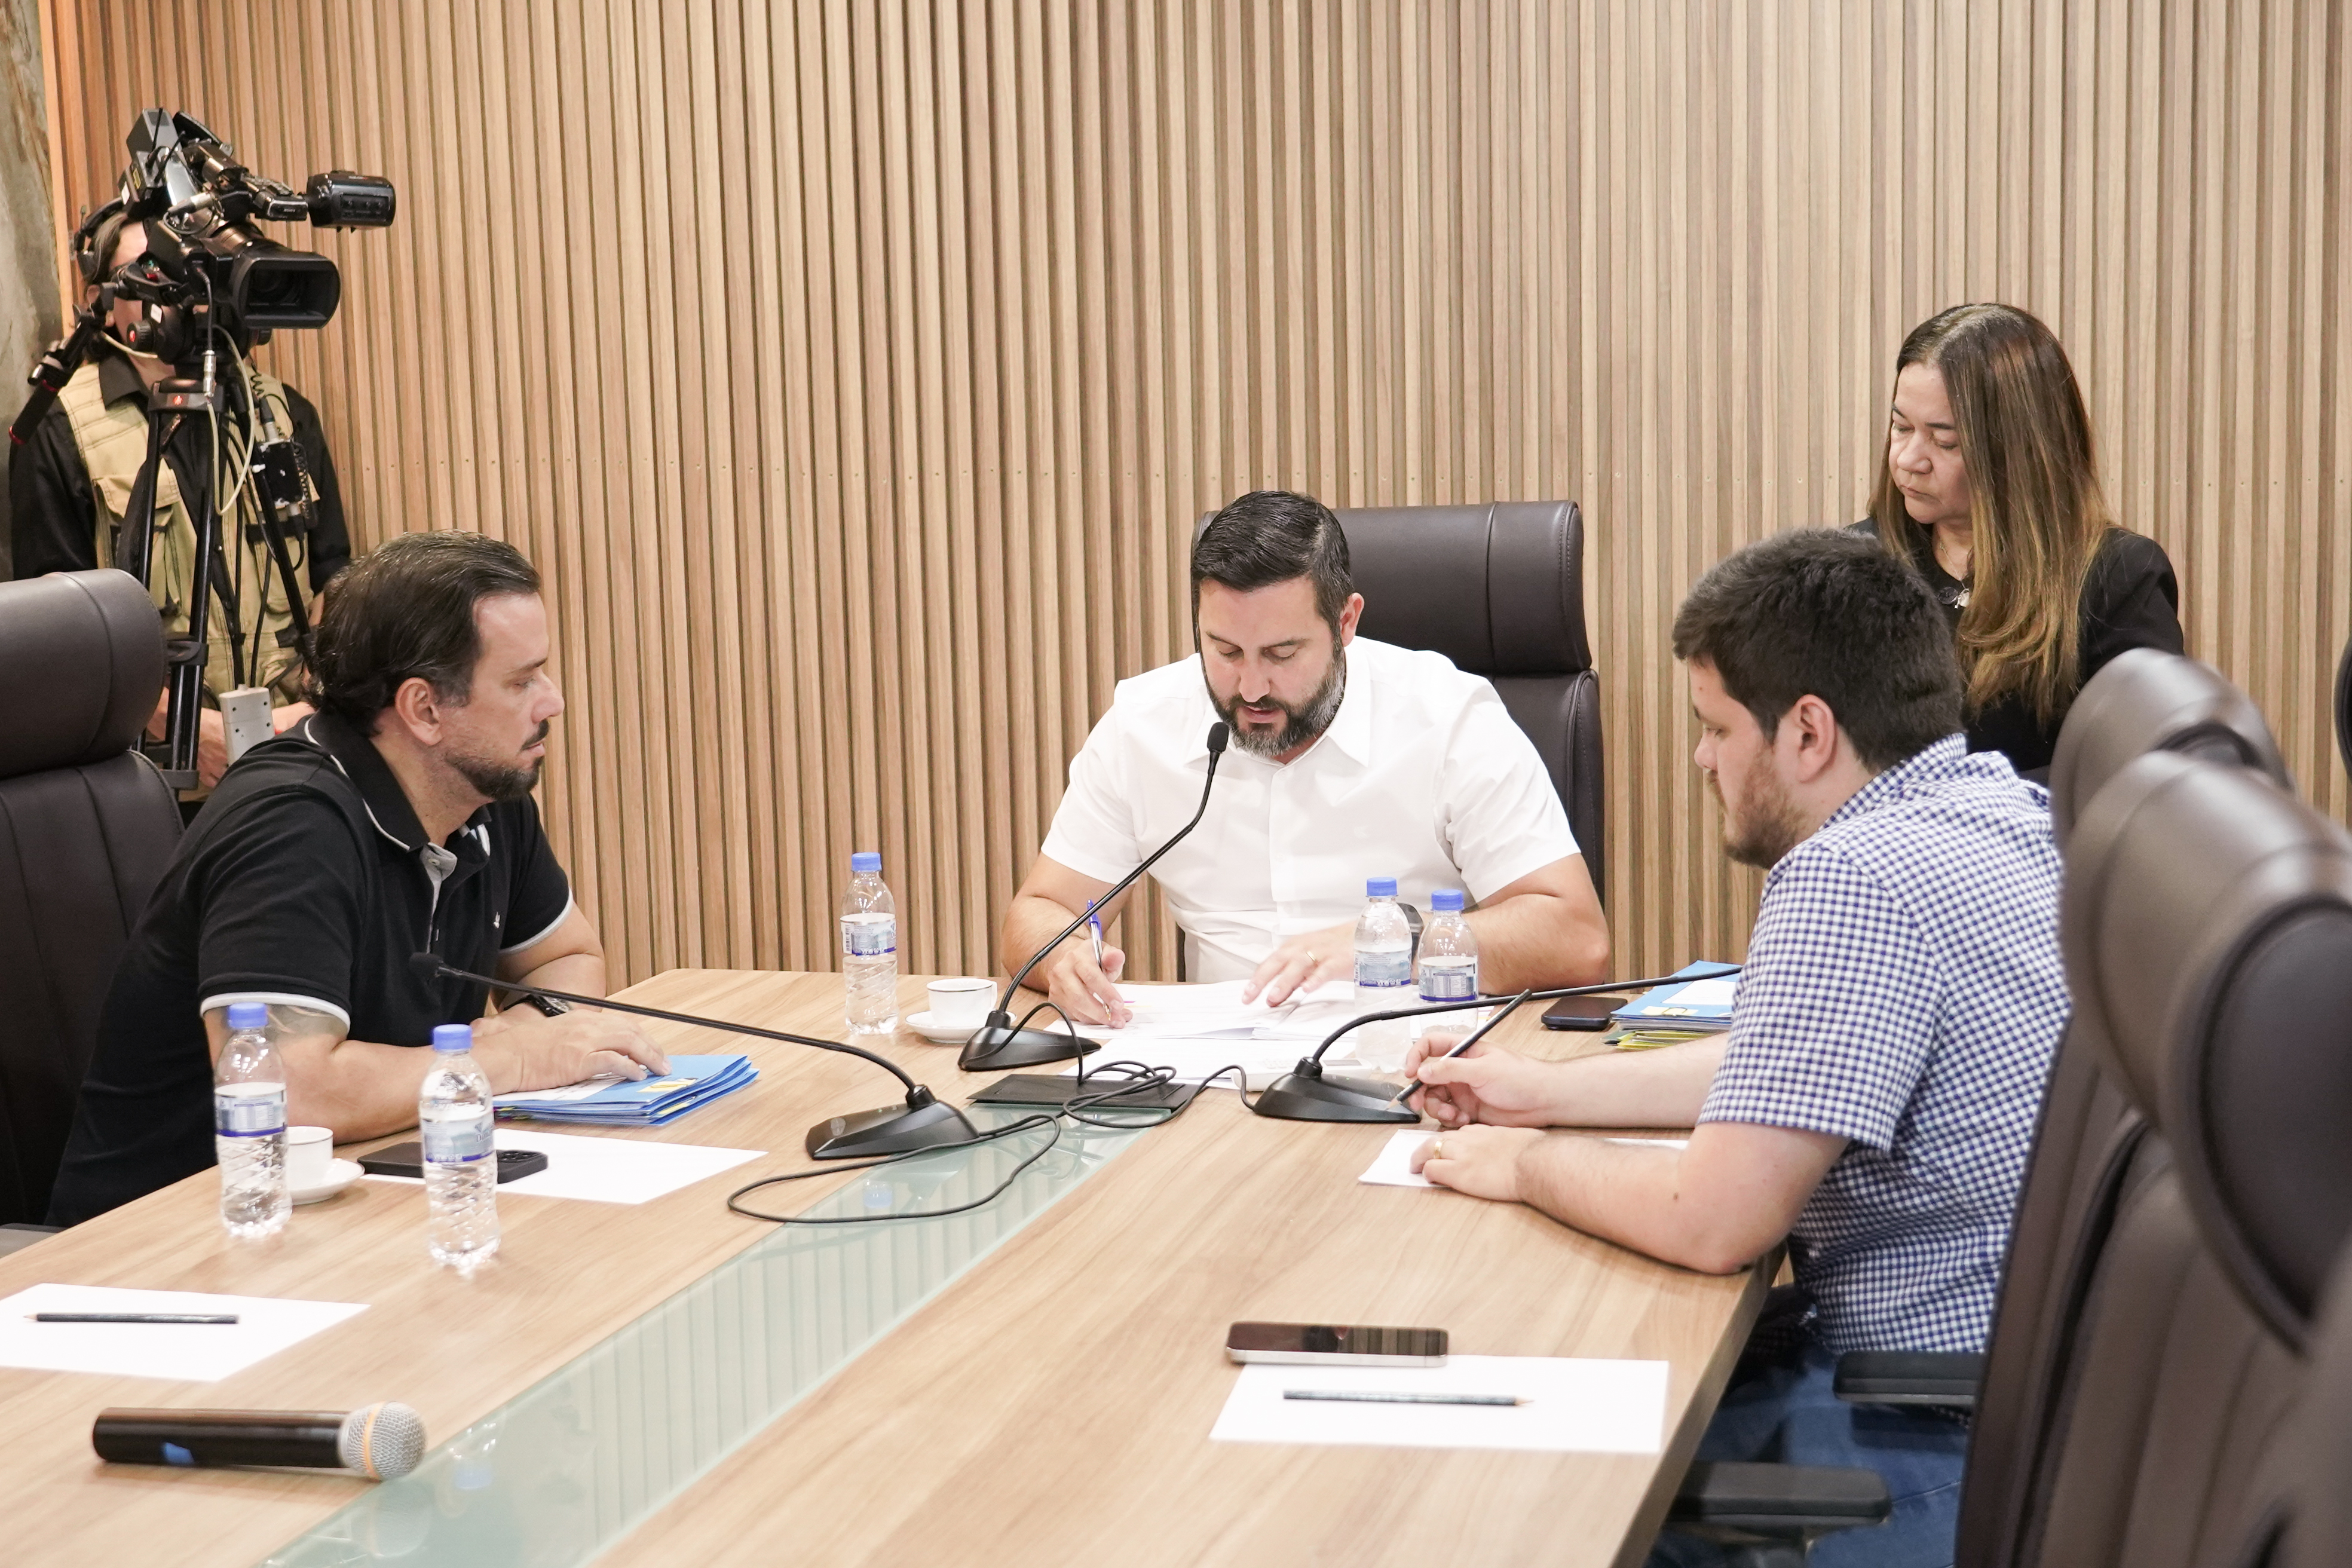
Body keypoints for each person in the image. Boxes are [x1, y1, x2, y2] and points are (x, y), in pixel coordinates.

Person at [1403, 529, 2068, 1567]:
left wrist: (1521, 1164)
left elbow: (1709, 1220)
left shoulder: (1852, 876)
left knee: (1519, 1507)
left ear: (1807, 730)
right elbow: (1801, 1070)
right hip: (2041, 1401)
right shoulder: (1999, 806)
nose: (1704, 757)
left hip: (1940, 1434)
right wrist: (1542, 1091)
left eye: (1713, 726)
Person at [48, 531, 667, 1226]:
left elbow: (568, 957)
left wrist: (509, 1041)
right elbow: (290, 1090)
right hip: (169, 1238)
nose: (550, 702)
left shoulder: (486, 793)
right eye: (522, 681)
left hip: (363, 1200)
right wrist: (511, 1058)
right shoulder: (291, 828)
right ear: (425, 709)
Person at [1001, 489, 1609, 1027]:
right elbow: (1039, 910)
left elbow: (1575, 936)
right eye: (1226, 650)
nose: (1252, 687)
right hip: (1213, 1073)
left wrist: (1387, 940)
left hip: (1404, 1054)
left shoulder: (1449, 715)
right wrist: (1065, 958)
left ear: (1346, 621)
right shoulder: (1144, 723)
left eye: (1282, 652)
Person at [10, 210, 354, 791]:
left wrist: (319, 702)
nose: (178, 292)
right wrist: (191, 728)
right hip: (155, 777)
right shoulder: (62, 430)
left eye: (189, 270)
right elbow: (62, 644)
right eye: (150, 270)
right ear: (101, 298)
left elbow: (336, 577)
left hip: (298, 754)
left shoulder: (281, 411)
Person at [1855, 302, 2183, 779]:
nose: (1908, 459)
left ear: (2018, 451)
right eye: (1901, 427)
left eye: (1944, 442)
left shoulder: (2118, 576)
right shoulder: (1852, 564)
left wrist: (1965, 808)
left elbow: (2147, 762)